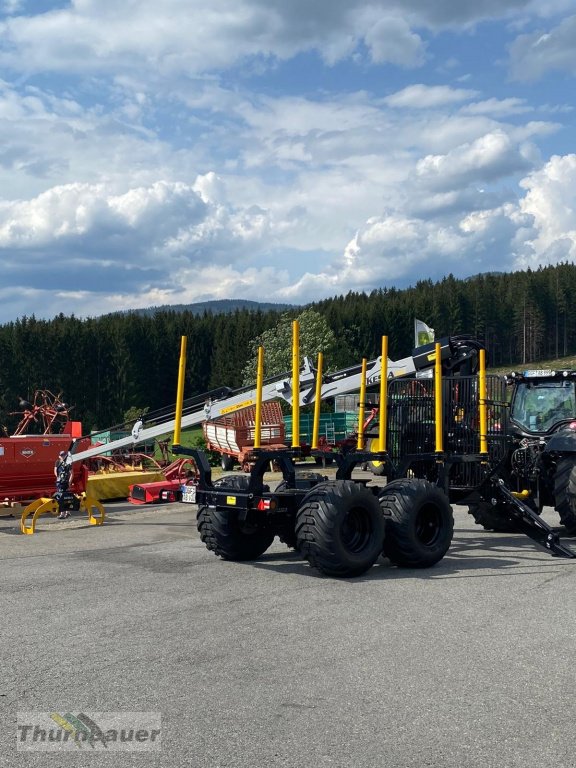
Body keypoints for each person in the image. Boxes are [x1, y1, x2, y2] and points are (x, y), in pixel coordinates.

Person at [54, 450, 72, 519]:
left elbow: (72, 473)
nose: (63, 456)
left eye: (64, 455)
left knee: (66, 497)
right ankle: (64, 513)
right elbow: (55, 470)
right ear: (59, 456)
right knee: (60, 498)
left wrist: (69, 482)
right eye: (61, 455)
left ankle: (65, 513)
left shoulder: (68, 463)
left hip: (65, 482)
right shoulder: (57, 462)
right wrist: (58, 477)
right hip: (59, 483)